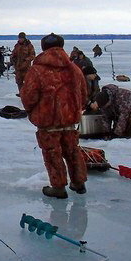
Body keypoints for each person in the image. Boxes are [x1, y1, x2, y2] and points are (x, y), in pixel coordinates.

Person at [20, 33, 88, 199]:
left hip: (48, 120)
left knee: (52, 153)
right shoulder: (74, 69)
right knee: (73, 150)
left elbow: (28, 96)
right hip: (70, 119)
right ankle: (79, 183)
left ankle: (58, 187)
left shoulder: (37, 70)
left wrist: (32, 111)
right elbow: (84, 94)